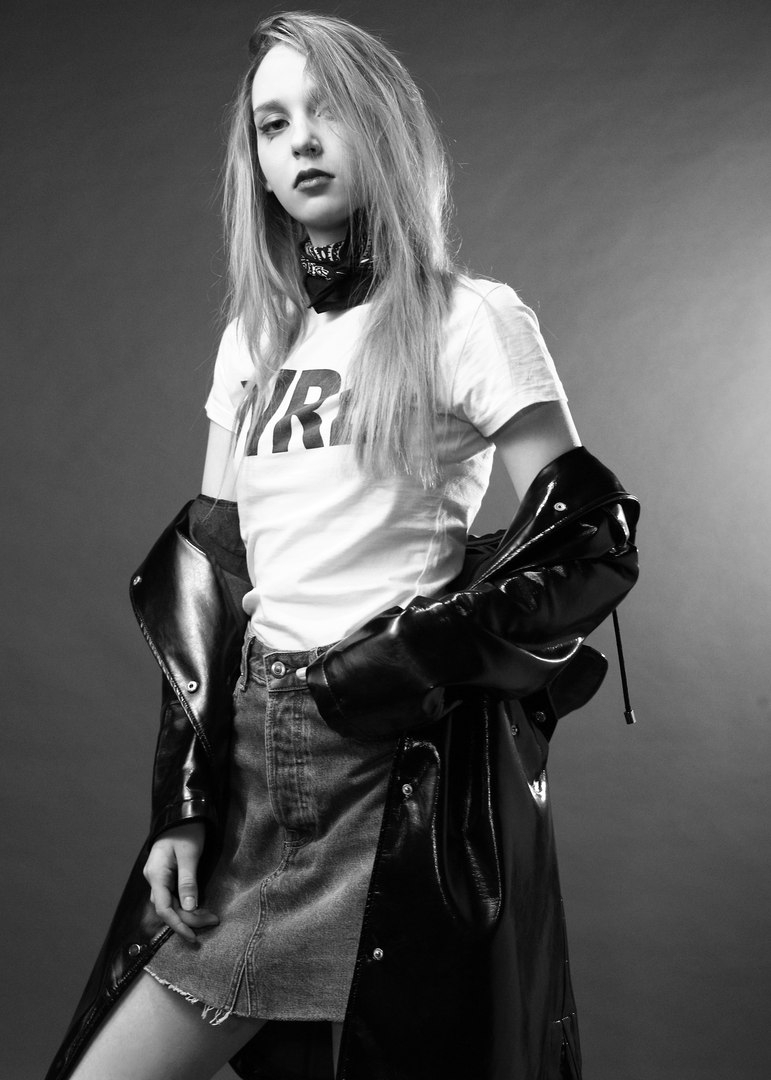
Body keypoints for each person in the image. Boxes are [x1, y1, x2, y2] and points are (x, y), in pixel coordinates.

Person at [46, 11, 639, 1080]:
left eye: (328, 112)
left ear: (386, 128)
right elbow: (211, 572)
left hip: (385, 773)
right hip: (251, 764)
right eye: (274, 124)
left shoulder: (469, 319)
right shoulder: (253, 339)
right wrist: (183, 803)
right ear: (257, 163)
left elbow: (587, 539)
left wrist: (407, 657)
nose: (302, 141)